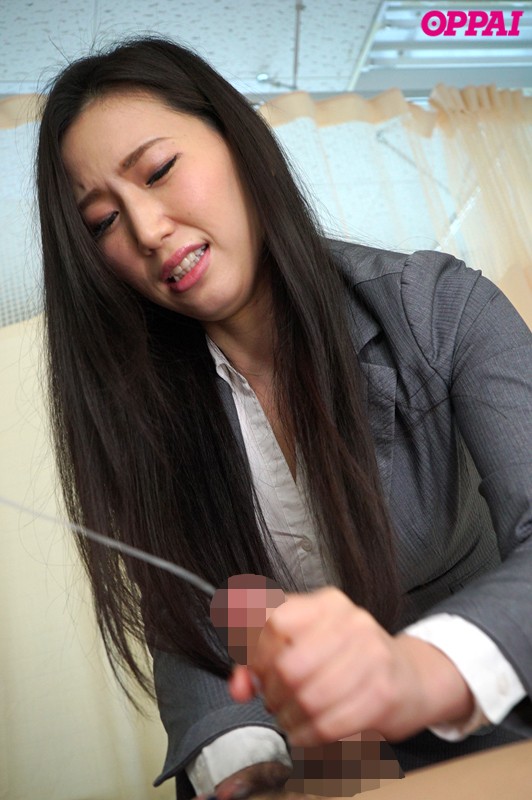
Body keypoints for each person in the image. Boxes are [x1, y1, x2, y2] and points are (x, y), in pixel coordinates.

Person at [36, 35, 532, 800]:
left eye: (159, 171)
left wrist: (413, 671)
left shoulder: (443, 310)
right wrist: (241, 759)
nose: (147, 230)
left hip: (487, 740)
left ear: (242, 143)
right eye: (102, 221)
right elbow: (194, 626)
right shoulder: (149, 417)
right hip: (320, 774)